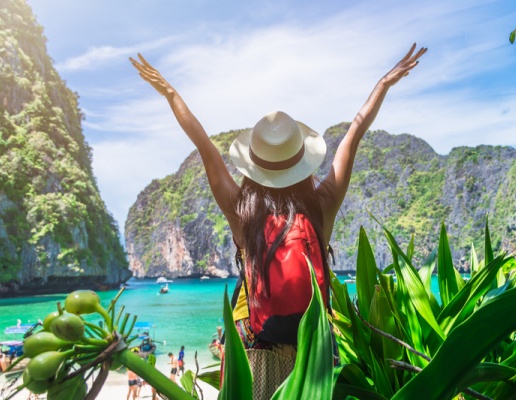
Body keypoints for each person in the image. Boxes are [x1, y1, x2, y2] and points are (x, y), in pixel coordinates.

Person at [130, 41, 426, 399]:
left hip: (256, 353)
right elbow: (354, 136)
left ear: (252, 168)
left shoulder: (242, 212)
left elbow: (202, 143)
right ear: (302, 161)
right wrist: (383, 85)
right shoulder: (321, 206)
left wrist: (170, 93)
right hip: (313, 355)